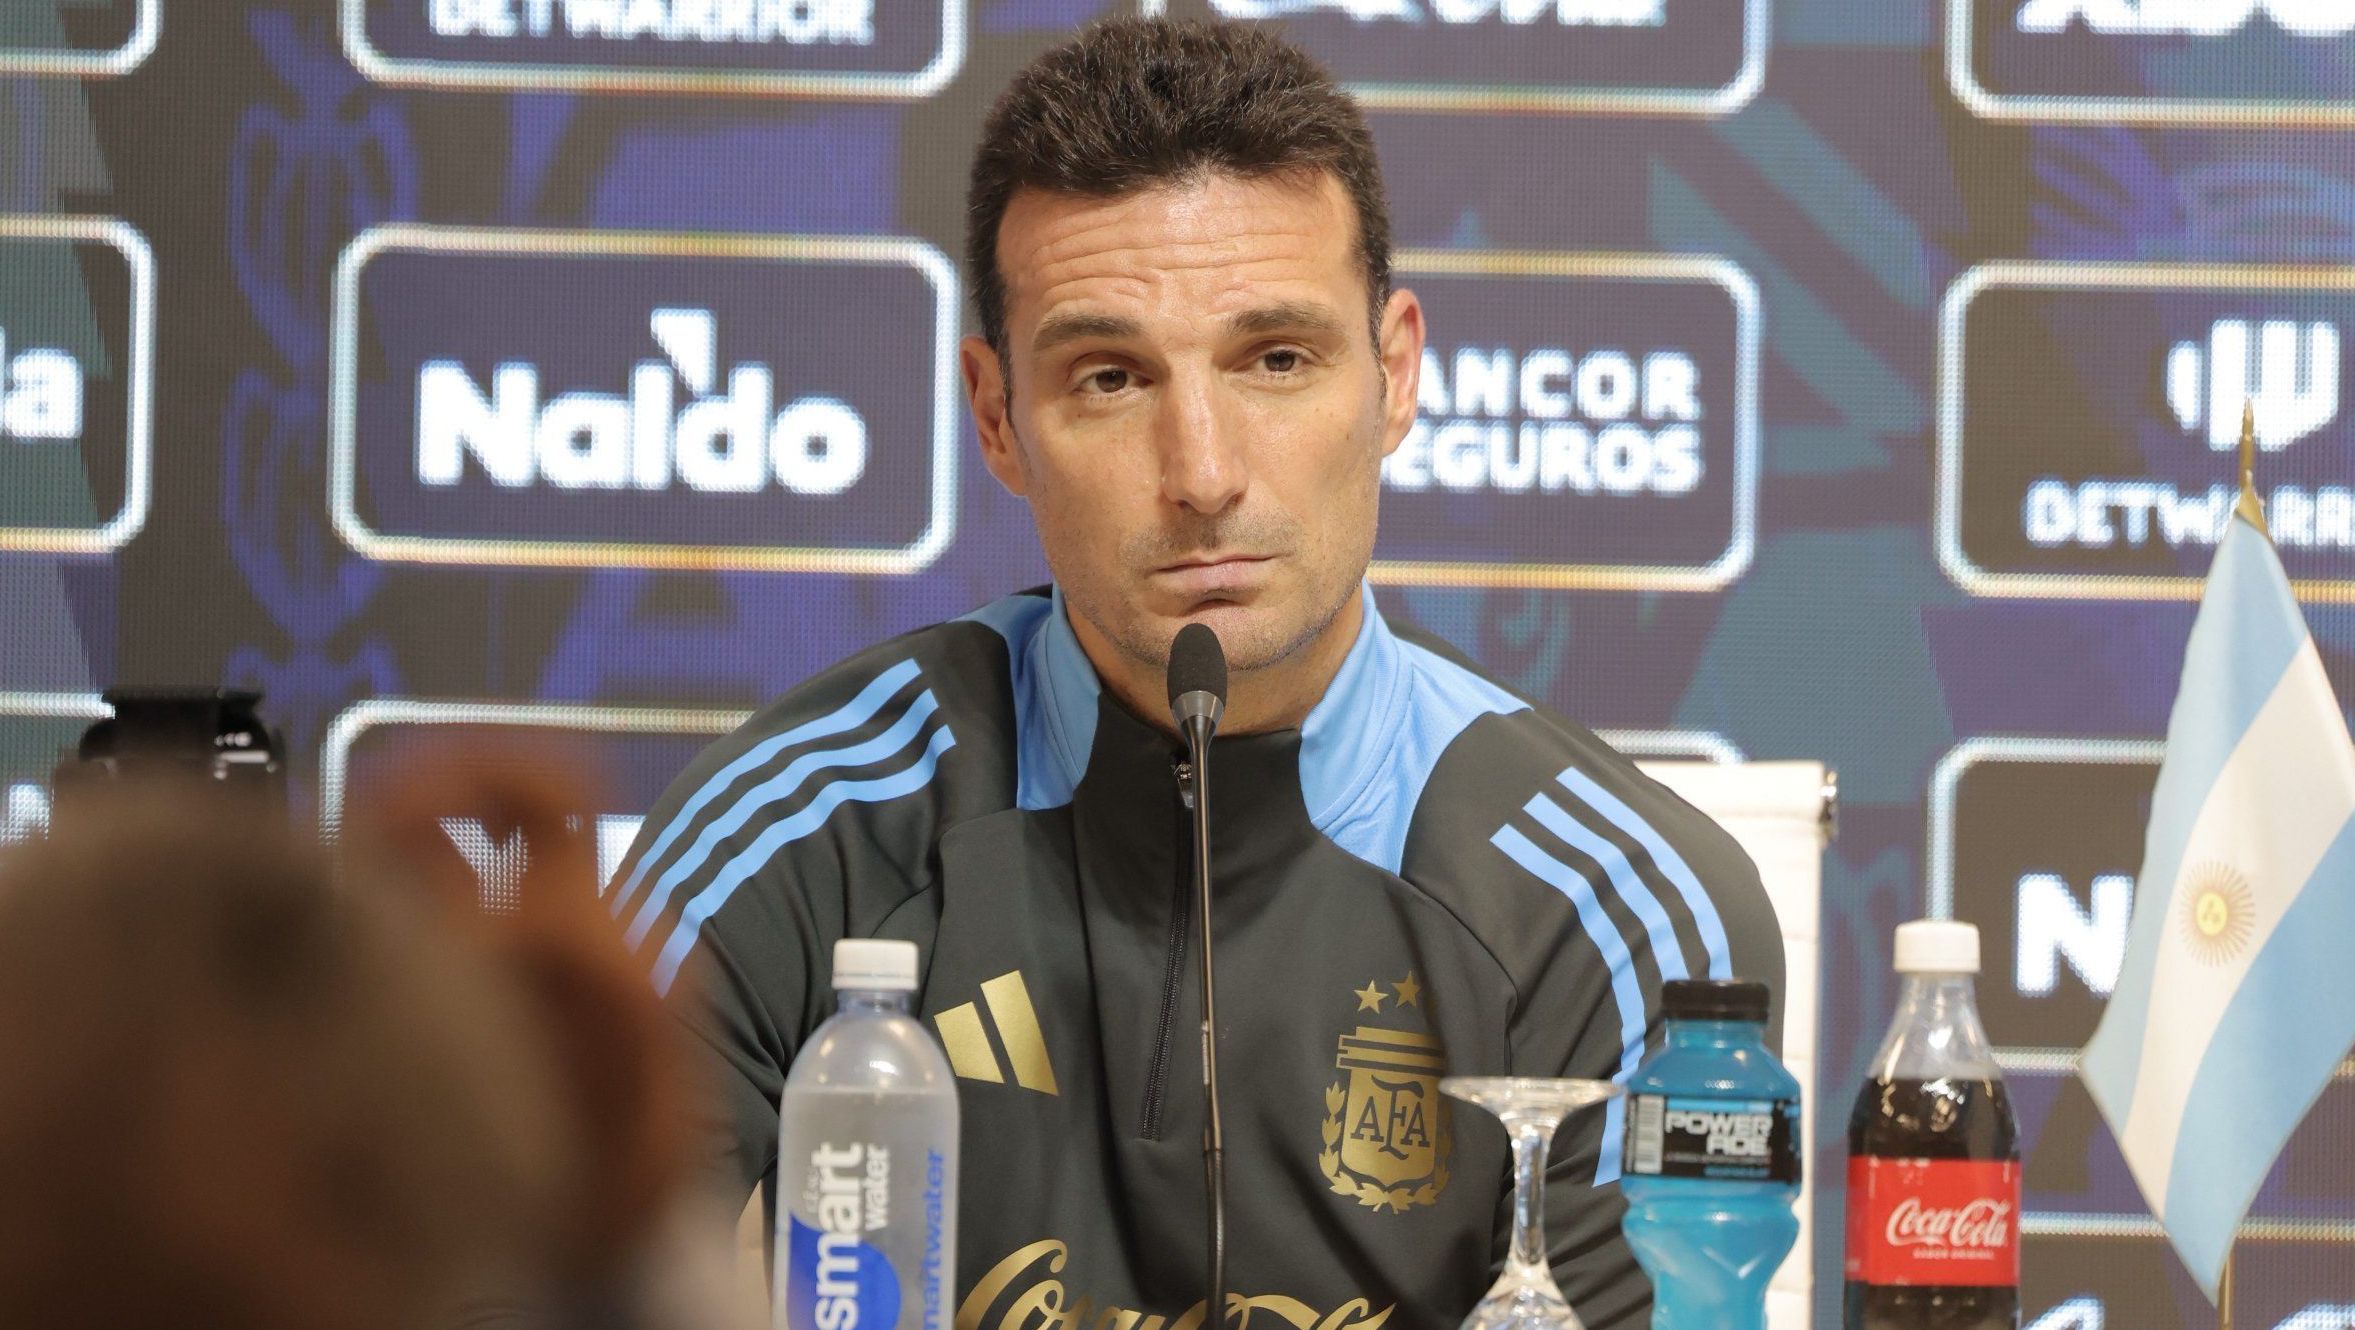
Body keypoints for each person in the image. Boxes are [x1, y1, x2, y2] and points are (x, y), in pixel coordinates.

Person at [615, 17, 1782, 1329]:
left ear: (1396, 374)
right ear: (997, 417)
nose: (1205, 472)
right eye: (1110, 378)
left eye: (1276, 360)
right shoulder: (794, 832)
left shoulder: (1619, 912)